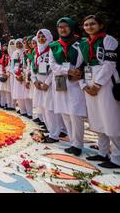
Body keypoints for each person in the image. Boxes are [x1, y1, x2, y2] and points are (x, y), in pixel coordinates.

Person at [79, 15, 120, 168]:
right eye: (86, 24)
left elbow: (110, 64)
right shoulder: (84, 44)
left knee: (111, 119)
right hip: (90, 81)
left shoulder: (108, 40)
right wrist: (85, 84)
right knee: (97, 118)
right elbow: (82, 65)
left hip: (105, 82)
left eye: (92, 24)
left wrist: (97, 84)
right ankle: (103, 152)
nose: (89, 27)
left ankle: (117, 157)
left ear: (100, 25)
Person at [48, 19, 86, 151]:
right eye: (60, 27)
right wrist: (67, 70)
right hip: (60, 81)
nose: (62, 29)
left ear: (71, 27)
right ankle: (73, 142)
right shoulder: (54, 46)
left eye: (65, 27)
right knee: (64, 113)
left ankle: (78, 144)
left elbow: (84, 60)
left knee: (75, 113)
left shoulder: (81, 43)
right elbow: (52, 65)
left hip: (75, 81)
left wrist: (78, 71)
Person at [0, 43, 13, 110]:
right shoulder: (3, 56)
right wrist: (2, 73)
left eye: (5, 48)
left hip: (9, 75)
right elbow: (1, 66)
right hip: (4, 75)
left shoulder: (11, 56)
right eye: (3, 48)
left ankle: (12, 105)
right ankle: (8, 103)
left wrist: (7, 74)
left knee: (10, 91)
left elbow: (11, 66)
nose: (4, 49)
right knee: (6, 91)